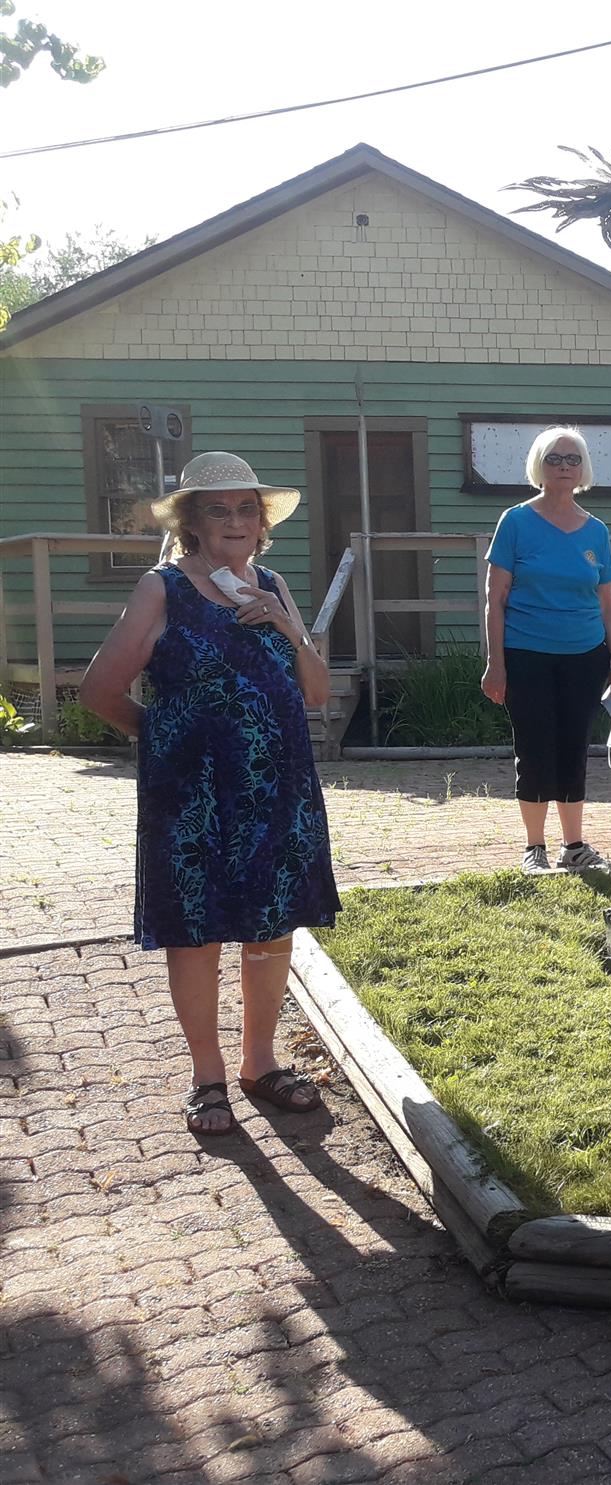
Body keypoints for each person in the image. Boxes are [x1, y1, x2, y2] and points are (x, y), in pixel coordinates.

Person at [79, 452, 341, 1137]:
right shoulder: (163, 588)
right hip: (191, 796)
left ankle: (261, 1063)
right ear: (191, 523)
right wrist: (168, 740)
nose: (235, 520)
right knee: (196, 930)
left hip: (276, 791)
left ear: (262, 523)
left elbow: (318, 691)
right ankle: (207, 1076)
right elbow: (100, 689)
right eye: (218, 509)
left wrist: (287, 625)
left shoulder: (273, 585)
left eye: (246, 509)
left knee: (271, 926)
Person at [479, 426, 611, 874]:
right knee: (534, 747)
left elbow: (606, 603)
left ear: (583, 469)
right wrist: (495, 664)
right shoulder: (515, 522)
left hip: (586, 657)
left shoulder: (596, 531)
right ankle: (534, 848)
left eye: (573, 459)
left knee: (573, 747)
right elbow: (495, 599)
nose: (564, 467)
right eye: (555, 459)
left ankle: (574, 845)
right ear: (539, 466)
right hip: (526, 655)